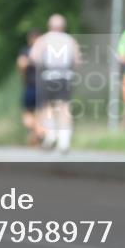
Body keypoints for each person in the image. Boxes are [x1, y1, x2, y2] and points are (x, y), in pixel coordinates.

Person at [30, 14, 81, 153]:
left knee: (47, 107)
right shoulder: (69, 40)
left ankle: (51, 135)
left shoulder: (44, 39)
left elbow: (35, 57)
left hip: (48, 75)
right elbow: (76, 60)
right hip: (65, 76)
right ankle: (64, 140)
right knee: (64, 107)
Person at [17, 29, 42, 146]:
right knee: (28, 115)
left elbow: (21, 65)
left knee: (37, 114)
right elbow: (21, 65)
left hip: (40, 86)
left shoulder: (44, 52)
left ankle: (38, 133)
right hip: (31, 85)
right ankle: (38, 132)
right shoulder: (26, 51)